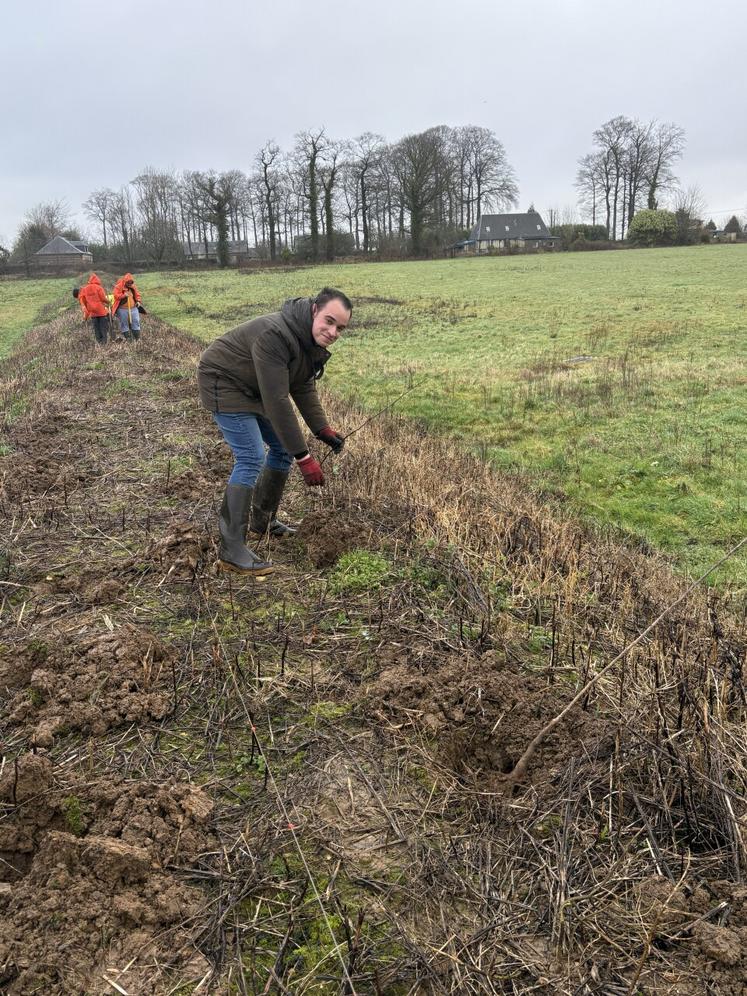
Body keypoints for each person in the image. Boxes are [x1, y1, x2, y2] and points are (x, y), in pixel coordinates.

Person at [197, 288, 352, 576]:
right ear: (314, 310)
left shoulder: (306, 341)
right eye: (329, 321)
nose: (333, 332)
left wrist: (322, 429)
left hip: (252, 386)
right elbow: (278, 400)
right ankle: (231, 551)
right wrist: (304, 458)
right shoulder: (276, 335)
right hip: (223, 380)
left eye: (340, 328)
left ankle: (263, 521)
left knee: (281, 448)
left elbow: (302, 385)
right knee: (251, 456)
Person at [78, 273, 110, 345]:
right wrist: (108, 302)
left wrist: (86, 309)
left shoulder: (85, 289)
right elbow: (103, 298)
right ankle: (104, 343)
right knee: (103, 328)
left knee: (96, 328)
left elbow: (83, 299)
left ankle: (99, 342)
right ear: (97, 280)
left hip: (92, 312)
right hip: (101, 312)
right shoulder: (99, 288)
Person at [112, 272, 145, 341]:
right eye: (128, 283)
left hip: (133, 308)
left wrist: (138, 301)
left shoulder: (133, 286)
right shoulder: (118, 287)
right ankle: (128, 339)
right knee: (124, 323)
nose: (130, 284)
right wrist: (124, 295)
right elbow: (116, 296)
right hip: (122, 309)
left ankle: (137, 338)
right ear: (125, 282)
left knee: (136, 321)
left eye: (131, 283)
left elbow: (137, 295)